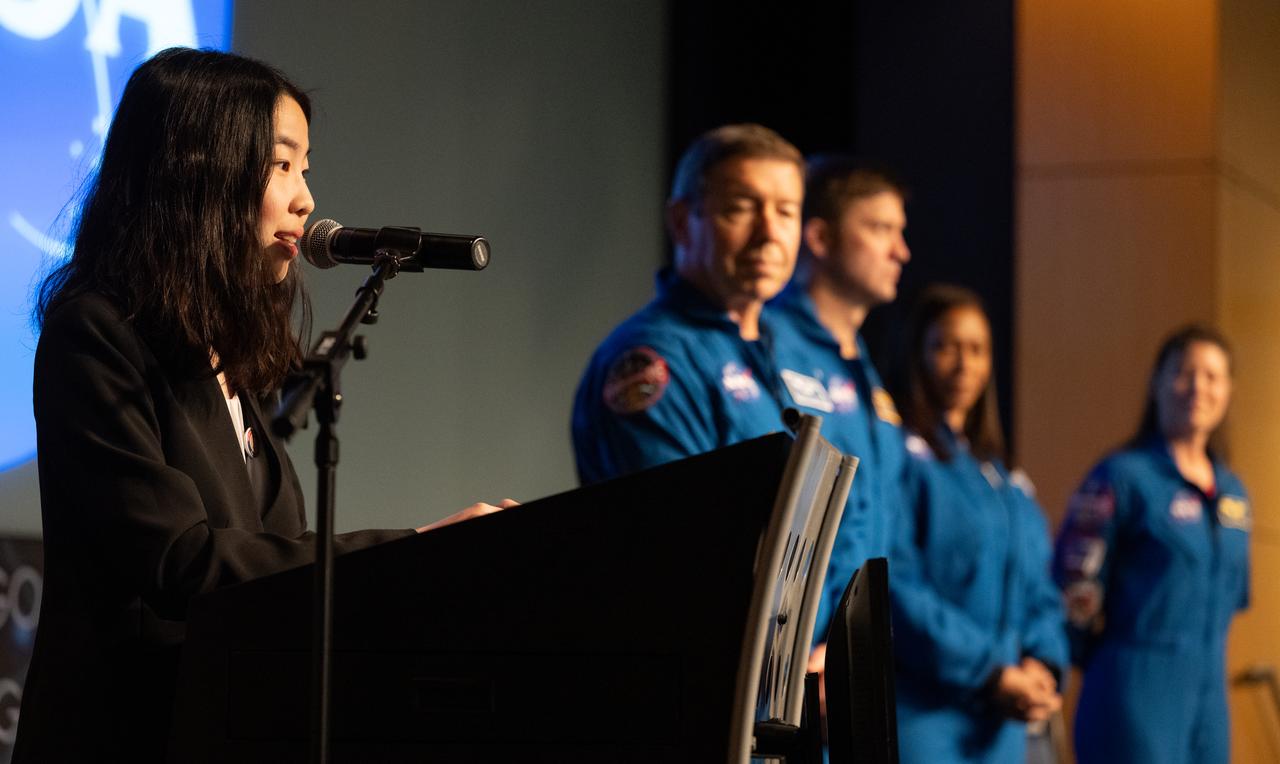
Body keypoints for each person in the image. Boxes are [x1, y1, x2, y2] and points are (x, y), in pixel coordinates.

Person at [14, 48, 508, 761]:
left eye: (304, 167)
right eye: (282, 164)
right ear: (197, 165)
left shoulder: (227, 355)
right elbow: (185, 563)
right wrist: (415, 554)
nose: (307, 198)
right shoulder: (96, 334)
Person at [1053, 324, 1249, 764]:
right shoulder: (1120, 478)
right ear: (1156, 382)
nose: (1198, 387)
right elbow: (1071, 592)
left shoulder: (1234, 493)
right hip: (1134, 692)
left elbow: (1233, 599)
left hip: (1209, 698)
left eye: (1212, 376)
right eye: (1183, 372)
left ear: (1229, 390)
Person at [887, 284, 1066, 763]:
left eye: (977, 349)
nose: (963, 365)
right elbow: (897, 586)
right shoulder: (901, 455)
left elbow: (1042, 591)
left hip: (1004, 721)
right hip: (928, 713)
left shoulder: (1004, 477)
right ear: (917, 354)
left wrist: (1043, 664)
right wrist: (992, 672)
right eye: (945, 346)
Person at [571, 123, 806, 482]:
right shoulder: (650, 360)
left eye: (786, 212)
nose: (770, 234)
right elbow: (679, 530)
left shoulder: (779, 345)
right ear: (681, 222)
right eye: (741, 209)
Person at [765, 156, 913, 684]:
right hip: (783, 665)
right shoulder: (767, 342)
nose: (902, 251)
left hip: (848, 662)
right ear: (821, 238)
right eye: (880, 229)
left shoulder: (865, 371)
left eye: (901, 232)